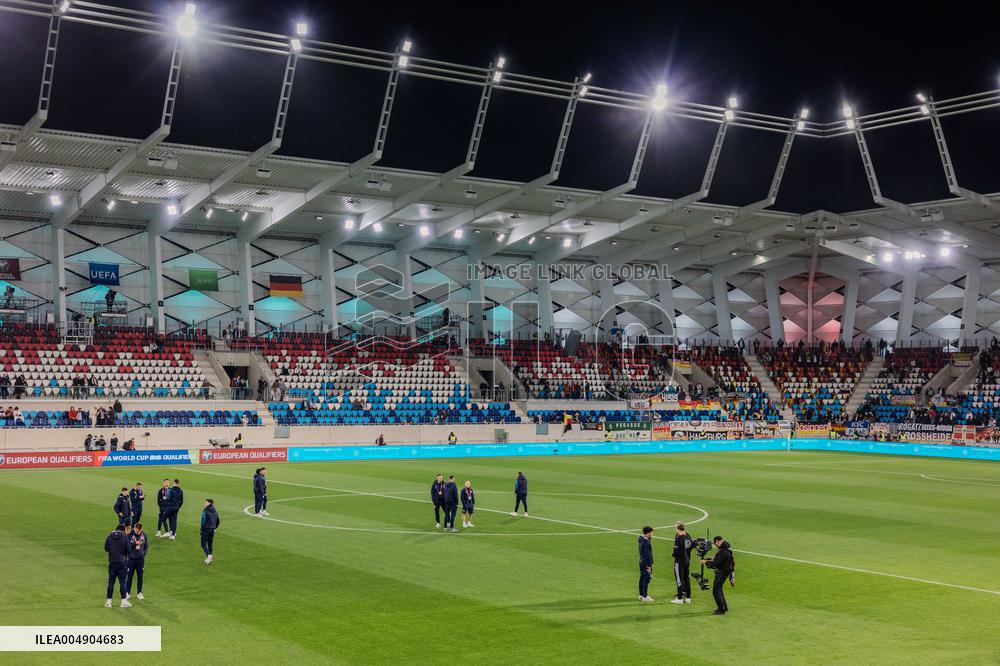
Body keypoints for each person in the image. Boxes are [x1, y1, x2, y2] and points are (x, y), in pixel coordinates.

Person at [702, 536, 735, 615]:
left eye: (715, 543)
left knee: (716, 591)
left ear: (718, 541)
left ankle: (721, 610)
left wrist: (706, 562)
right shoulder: (727, 548)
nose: (715, 545)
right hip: (726, 571)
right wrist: (712, 558)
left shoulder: (723, 551)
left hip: (722, 572)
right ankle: (724, 607)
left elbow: (715, 563)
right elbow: (726, 560)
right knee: (719, 589)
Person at [104, 525, 131, 608]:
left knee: (111, 582)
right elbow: (129, 550)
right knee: (122, 582)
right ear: (123, 530)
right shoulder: (124, 537)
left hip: (112, 562)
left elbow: (106, 548)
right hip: (122, 563)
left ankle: (109, 601)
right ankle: (123, 601)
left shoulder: (109, 537)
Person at [670, 521, 694, 605]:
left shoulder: (679, 538)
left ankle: (679, 598)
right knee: (687, 579)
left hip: (679, 561)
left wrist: (674, 555)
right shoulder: (688, 537)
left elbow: (675, 552)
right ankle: (688, 598)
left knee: (679, 580)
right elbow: (691, 546)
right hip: (687, 560)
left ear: (678, 529)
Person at [126, 522, 149, 601]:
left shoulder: (144, 536)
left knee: (140, 577)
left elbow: (146, 546)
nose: (138, 532)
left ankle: (139, 592)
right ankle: (127, 592)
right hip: (131, 560)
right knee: (129, 576)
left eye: (139, 530)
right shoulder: (129, 535)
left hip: (140, 560)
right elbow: (127, 546)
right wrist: (134, 544)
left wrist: (143, 554)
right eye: (137, 530)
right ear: (134, 528)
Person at [200, 498, 220, 564]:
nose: (204, 504)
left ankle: (208, 555)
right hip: (212, 530)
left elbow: (203, 521)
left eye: (206, 502)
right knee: (210, 544)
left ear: (209, 503)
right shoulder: (215, 511)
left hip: (206, 529)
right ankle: (209, 559)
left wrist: (201, 529)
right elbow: (218, 521)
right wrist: (215, 527)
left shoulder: (205, 511)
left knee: (203, 544)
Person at [638, 526, 654, 602]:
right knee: (647, 578)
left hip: (642, 561)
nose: (652, 534)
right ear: (648, 533)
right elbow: (647, 554)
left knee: (642, 577)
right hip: (646, 563)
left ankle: (641, 595)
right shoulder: (646, 542)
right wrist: (649, 564)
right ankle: (645, 596)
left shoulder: (642, 539)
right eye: (651, 532)